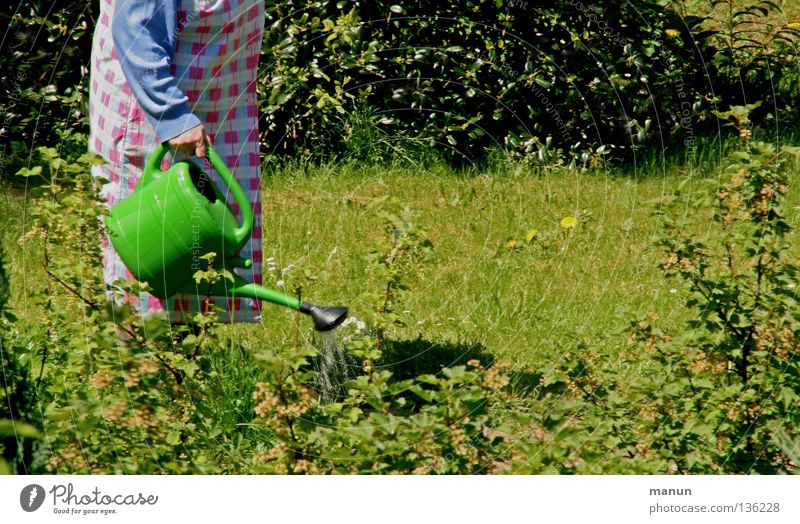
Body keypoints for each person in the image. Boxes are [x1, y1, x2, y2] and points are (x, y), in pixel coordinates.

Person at [89, 0, 265, 323]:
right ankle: (131, 365)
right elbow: (136, 28)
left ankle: (184, 361)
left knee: (196, 244)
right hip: (152, 108)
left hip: (215, 102)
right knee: (147, 256)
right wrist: (172, 116)